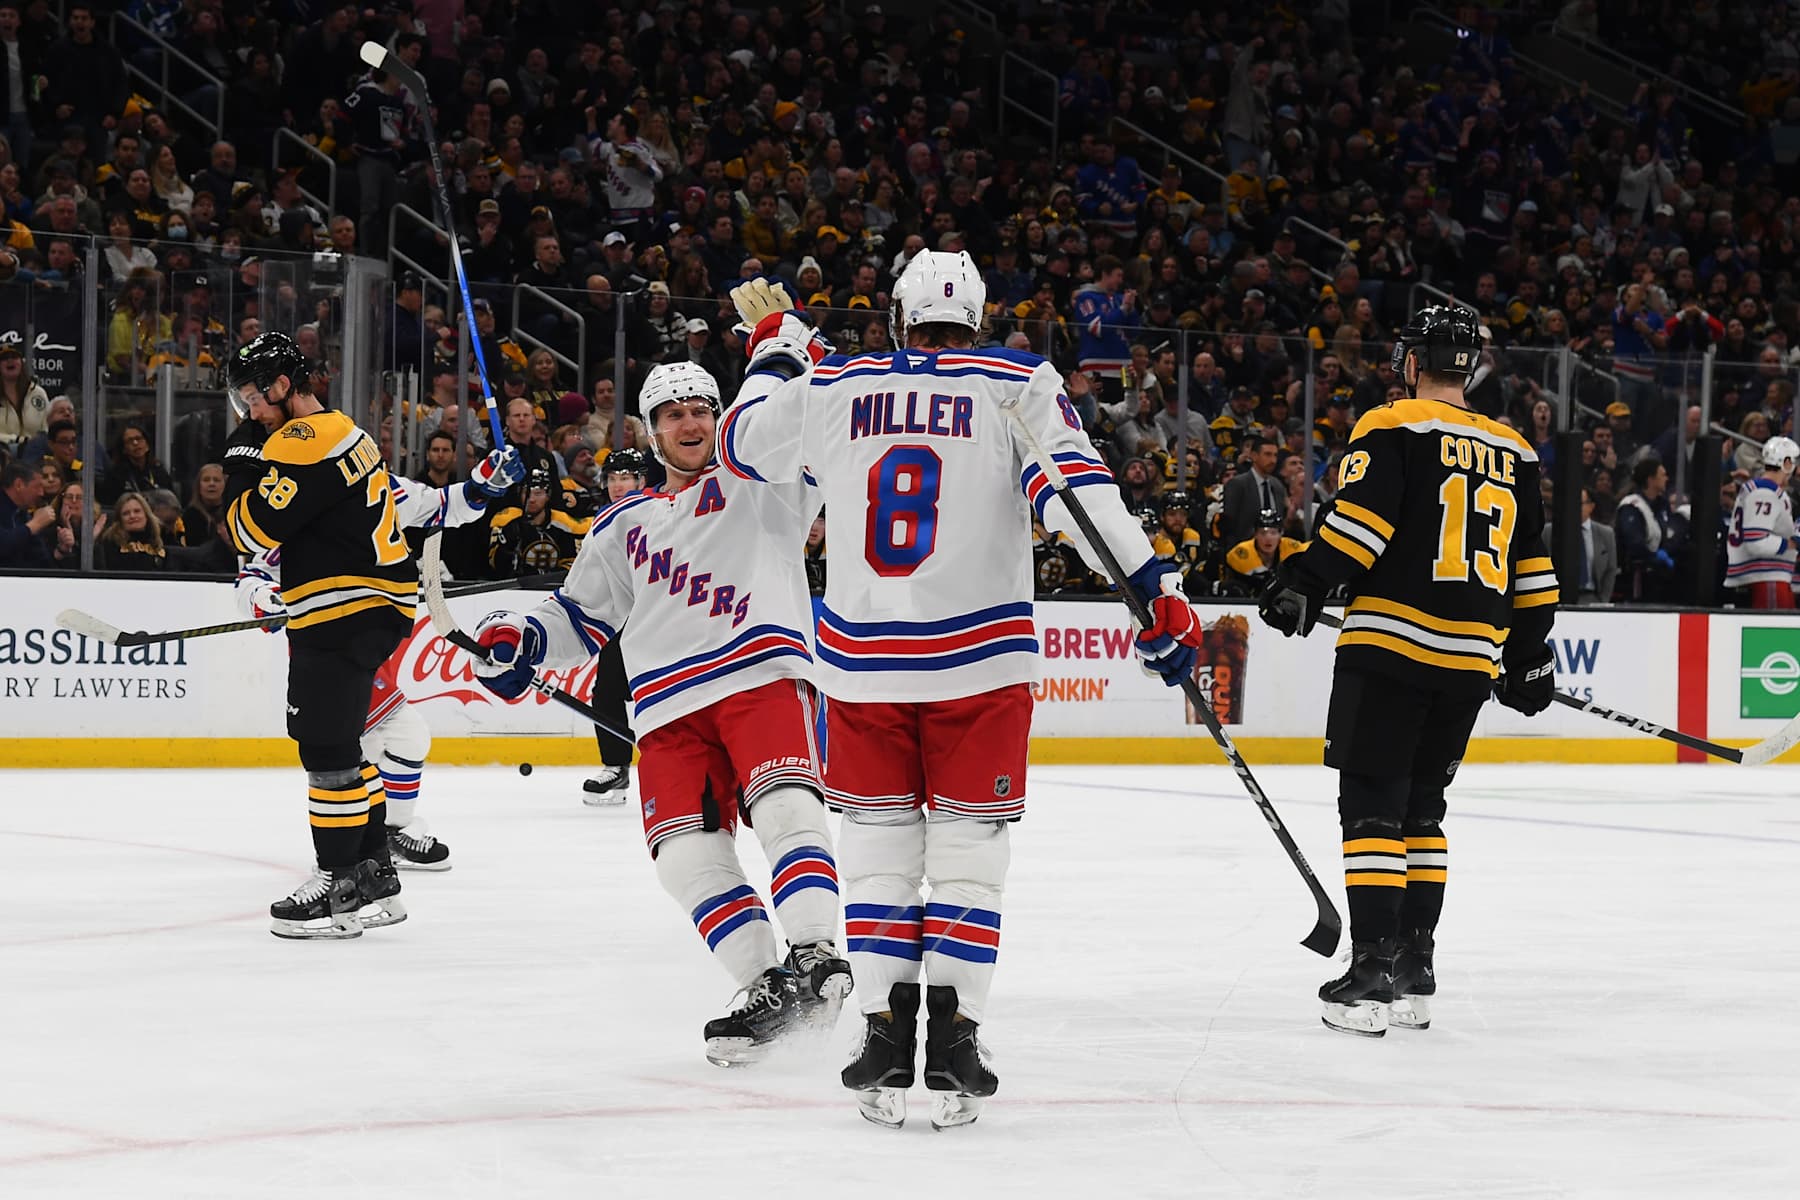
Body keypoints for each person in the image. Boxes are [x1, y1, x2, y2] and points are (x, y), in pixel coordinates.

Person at [717, 256, 1205, 1129]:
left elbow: (740, 446)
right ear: (978, 318)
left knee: (878, 858)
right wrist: (1152, 588)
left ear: (900, 318)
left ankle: (879, 1033)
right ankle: (953, 1039)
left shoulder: (836, 380)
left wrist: (776, 349)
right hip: (981, 664)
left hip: (862, 666)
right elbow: (1077, 497)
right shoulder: (1015, 381)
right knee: (970, 862)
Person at [469, 360, 852, 1067]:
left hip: (758, 677)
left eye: (702, 408)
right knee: (684, 858)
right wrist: (520, 641)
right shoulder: (620, 523)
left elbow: (799, 416)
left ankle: (815, 951)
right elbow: (578, 616)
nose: (691, 422)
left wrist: (779, 351)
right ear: (649, 431)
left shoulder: (763, 478)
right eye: (673, 413)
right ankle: (768, 985)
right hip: (668, 710)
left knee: (784, 810)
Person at [1258, 305, 1560, 1037]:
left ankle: (1368, 976)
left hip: (1390, 647)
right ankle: (1415, 969)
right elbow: (1532, 569)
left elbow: (1362, 526)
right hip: (1467, 661)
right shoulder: (1515, 449)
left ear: (1416, 360)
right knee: (1424, 813)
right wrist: (1526, 656)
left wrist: (1304, 578)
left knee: (1372, 809)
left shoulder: (1392, 424)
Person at [236, 427, 526, 872]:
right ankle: (351, 856)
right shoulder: (302, 498)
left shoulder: (379, 485)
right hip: (328, 642)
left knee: (393, 741)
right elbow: (255, 572)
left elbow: (441, 506)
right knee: (361, 751)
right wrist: (262, 600)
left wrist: (483, 483)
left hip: (366, 640)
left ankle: (379, 838)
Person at [223, 331, 417, 940]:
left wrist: (237, 465)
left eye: (254, 398)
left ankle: (336, 889)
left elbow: (247, 532)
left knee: (325, 752)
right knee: (345, 746)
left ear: (283, 388)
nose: (251, 413)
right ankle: (376, 875)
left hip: (342, 609)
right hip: (370, 605)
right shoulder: (341, 430)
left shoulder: (302, 439)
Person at [582, 446, 647, 807]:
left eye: (626, 478)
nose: (618, 485)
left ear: (641, 480)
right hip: (617, 621)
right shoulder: (601, 521)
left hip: (658, 619)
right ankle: (616, 764)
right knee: (606, 691)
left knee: (663, 692)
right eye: (612, 478)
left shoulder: (657, 512)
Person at [1725, 437, 1799, 608]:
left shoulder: (1762, 489)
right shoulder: (1765, 492)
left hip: (1770, 577)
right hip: (1767, 577)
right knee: (1775, 634)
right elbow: (1756, 541)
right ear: (1786, 462)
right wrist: (1792, 543)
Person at [488, 465, 587, 575]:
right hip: (513, 589)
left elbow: (571, 563)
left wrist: (548, 576)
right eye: (526, 493)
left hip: (551, 588)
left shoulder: (562, 522)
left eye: (538, 493)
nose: (532, 500)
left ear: (548, 495)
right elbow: (494, 564)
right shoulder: (508, 520)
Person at [1221, 507, 1303, 595]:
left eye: (1273, 533)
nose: (1268, 539)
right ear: (1255, 534)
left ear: (1281, 534)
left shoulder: (1292, 548)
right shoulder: (1241, 553)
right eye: (1263, 533)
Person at [95, 490, 168, 572]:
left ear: (146, 515)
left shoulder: (161, 541)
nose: (132, 516)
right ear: (120, 519)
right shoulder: (109, 543)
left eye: (137, 511)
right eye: (126, 513)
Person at [0, 459, 54, 567]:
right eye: (37, 487)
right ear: (19, 485)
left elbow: (39, 560)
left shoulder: (22, 513)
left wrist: (60, 552)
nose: (41, 493)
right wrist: (34, 525)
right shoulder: (32, 522)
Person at [0, 343, 50, 455]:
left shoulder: (38, 393)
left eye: (14, 357)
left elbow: (47, 429)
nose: (10, 361)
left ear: (21, 362)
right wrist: (18, 441)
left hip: (34, 455)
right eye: (4, 358)